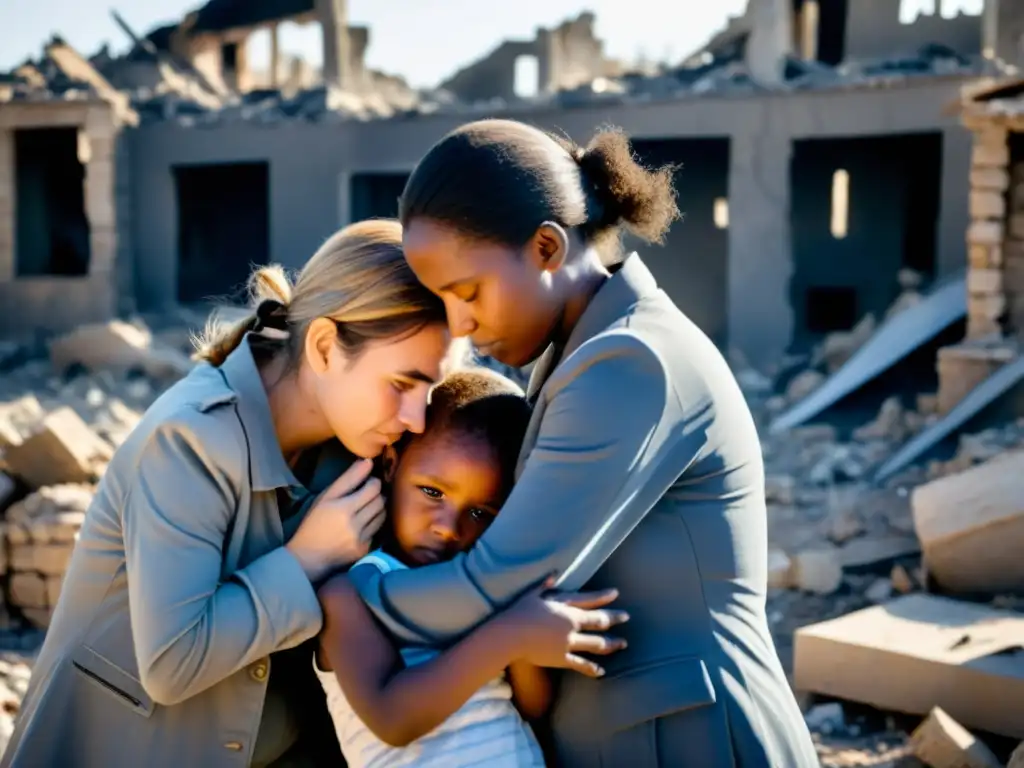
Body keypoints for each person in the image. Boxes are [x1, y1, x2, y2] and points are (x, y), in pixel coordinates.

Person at [343, 120, 821, 767]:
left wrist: (331, 588)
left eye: (468, 293)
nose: (460, 326)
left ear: (546, 247)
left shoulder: (628, 362)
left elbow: (492, 588)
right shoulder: (580, 355)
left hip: (693, 740)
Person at [3, 220, 455, 767]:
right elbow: (174, 663)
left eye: (428, 389)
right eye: (402, 385)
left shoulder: (359, 449)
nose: (415, 418)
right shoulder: (190, 440)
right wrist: (306, 559)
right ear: (325, 347)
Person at [315, 367, 628, 768]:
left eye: (481, 512)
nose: (448, 527)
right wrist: (511, 634)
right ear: (391, 464)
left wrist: (525, 631)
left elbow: (533, 706)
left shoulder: (484, 586)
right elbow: (392, 719)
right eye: (432, 492)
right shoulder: (347, 593)